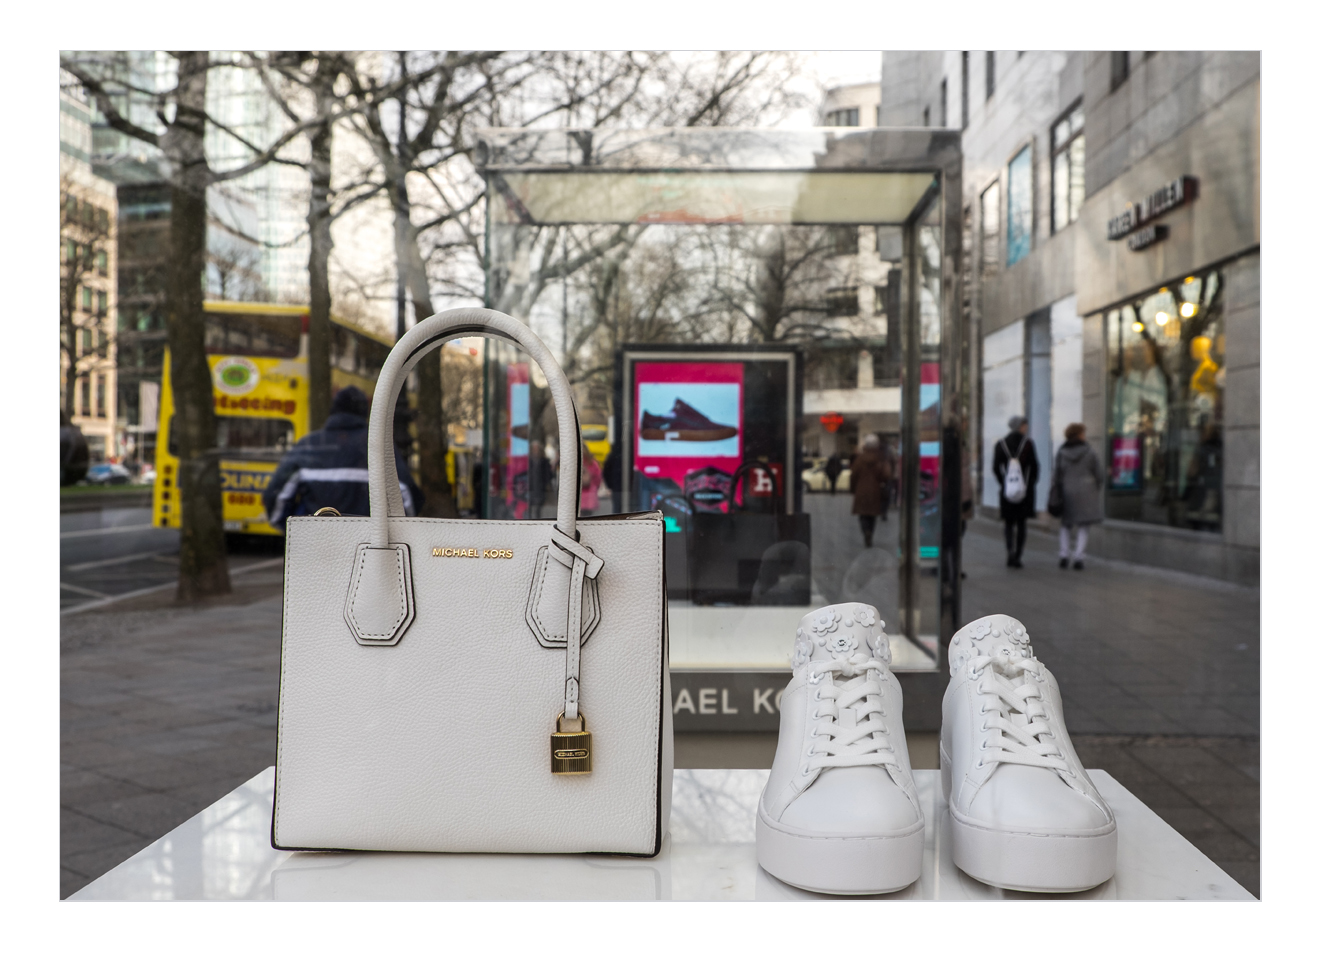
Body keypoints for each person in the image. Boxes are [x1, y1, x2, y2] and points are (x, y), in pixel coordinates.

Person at [263, 385, 423, 532]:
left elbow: (276, 496)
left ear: (333, 411)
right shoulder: (379, 447)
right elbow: (407, 496)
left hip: (317, 543)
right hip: (368, 545)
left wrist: (297, 531)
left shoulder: (309, 445)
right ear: (365, 414)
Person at [1052, 422, 1103, 570]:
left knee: (1066, 525)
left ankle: (1063, 555)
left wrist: (1058, 488)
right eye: (1083, 433)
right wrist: (1096, 486)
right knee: (1084, 525)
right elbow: (1098, 474)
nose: (1085, 435)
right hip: (1087, 492)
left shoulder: (1061, 452)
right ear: (1079, 435)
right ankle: (1079, 558)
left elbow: (1057, 474)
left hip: (1067, 491)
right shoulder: (1090, 452)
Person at [993, 415, 1039, 568]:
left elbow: (995, 468)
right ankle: (1018, 555)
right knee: (1021, 523)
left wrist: (1004, 482)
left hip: (1007, 490)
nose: (1026, 427)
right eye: (1024, 425)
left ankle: (1010, 552)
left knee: (1008, 523)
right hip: (1024, 491)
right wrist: (1029, 484)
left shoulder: (1001, 444)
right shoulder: (1028, 444)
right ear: (1020, 426)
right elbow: (1035, 467)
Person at [850, 434, 888, 548]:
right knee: (872, 516)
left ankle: (865, 531)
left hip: (861, 491)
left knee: (863, 515)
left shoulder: (859, 459)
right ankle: (870, 533)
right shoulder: (879, 458)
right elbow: (885, 475)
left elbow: (853, 476)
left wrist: (853, 489)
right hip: (875, 491)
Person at [579, 441, 603, 517]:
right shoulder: (592, 463)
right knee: (588, 518)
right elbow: (598, 477)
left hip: (578, 495)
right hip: (590, 494)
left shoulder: (574, 462)